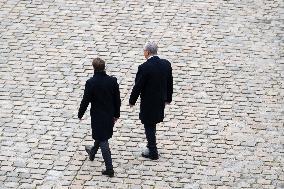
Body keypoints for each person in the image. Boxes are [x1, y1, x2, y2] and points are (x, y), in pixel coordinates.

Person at [129, 41, 173, 160]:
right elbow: (169, 82)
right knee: (152, 123)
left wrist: (132, 101)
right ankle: (150, 145)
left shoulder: (144, 67)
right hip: (160, 100)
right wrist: (169, 98)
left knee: (148, 124)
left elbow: (138, 86)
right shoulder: (166, 64)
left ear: (147, 52)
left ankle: (153, 151)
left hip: (148, 102)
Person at [78, 58, 121, 177]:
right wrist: (116, 114)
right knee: (101, 134)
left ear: (94, 68)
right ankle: (92, 152)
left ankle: (109, 168)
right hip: (109, 115)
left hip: (97, 116)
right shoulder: (112, 81)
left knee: (103, 139)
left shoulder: (91, 83)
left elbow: (85, 101)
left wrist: (80, 114)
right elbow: (117, 100)